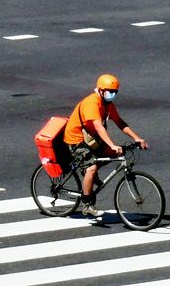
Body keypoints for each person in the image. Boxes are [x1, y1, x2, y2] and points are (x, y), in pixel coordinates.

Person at [62, 74, 149, 217]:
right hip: (76, 139)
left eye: (115, 92)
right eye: (109, 92)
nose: (112, 95)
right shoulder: (92, 102)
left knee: (115, 154)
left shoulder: (108, 105)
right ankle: (87, 204)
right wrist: (112, 144)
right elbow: (98, 126)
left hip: (91, 138)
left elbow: (120, 122)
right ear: (101, 91)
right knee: (91, 167)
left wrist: (137, 138)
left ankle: (89, 174)